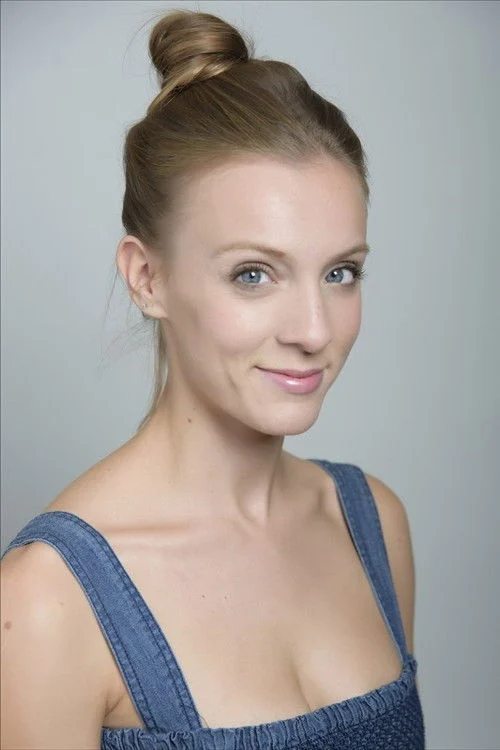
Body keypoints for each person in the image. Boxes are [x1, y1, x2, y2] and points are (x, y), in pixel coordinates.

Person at [1, 9, 425, 750]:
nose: (314, 330)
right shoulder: (47, 602)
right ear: (148, 278)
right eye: (253, 274)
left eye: (341, 273)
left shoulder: (372, 525)